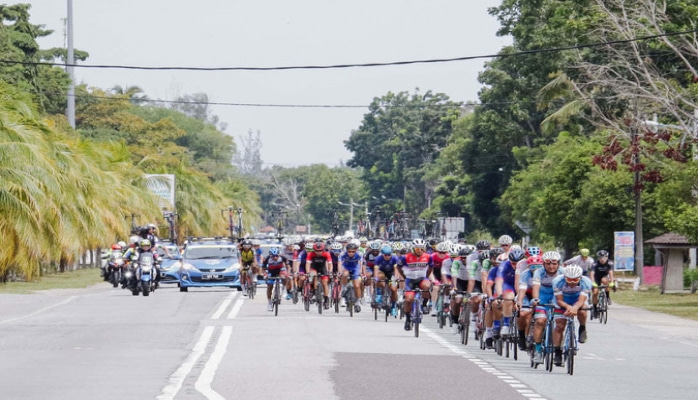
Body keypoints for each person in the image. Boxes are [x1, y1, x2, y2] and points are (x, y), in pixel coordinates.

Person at [552, 265, 592, 365]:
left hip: (577, 300)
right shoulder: (557, 281)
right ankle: (557, 352)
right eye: (569, 279)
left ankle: (582, 327)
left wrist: (574, 308)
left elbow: (581, 301)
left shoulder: (586, 282)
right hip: (562, 301)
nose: (572, 282)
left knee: (582, 311)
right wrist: (568, 307)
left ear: (580, 278)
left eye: (575, 279)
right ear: (565, 277)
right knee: (560, 325)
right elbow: (559, 300)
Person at [531, 251, 564, 365]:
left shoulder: (563, 273)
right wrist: (535, 299)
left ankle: (557, 351)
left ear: (559, 264)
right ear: (544, 264)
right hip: (543, 298)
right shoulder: (538, 272)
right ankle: (538, 350)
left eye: (554, 264)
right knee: (540, 321)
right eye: (548, 264)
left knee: (559, 324)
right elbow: (536, 287)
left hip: (557, 298)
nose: (551, 266)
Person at [397, 238, 432, 331]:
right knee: (408, 299)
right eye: (417, 249)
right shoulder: (406, 257)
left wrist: (427, 277)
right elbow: (398, 267)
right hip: (410, 280)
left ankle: (424, 305)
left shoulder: (428, 257)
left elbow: (430, 267)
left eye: (422, 249)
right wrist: (404, 276)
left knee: (427, 286)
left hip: (422, 279)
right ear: (413, 249)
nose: (420, 251)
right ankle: (408, 319)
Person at [495, 247, 525, 337]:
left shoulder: (526, 265)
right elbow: (499, 281)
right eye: (513, 263)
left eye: (518, 263)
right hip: (508, 285)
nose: (516, 266)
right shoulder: (504, 265)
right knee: (508, 298)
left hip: (522, 286)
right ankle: (506, 325)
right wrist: (500, 294)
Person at [516, 255, 542, 351]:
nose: (535, 269)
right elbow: (522, 290)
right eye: (532, 266)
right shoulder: (525, 274)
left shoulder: (543, 273)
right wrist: (519, 302)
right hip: (527, 295)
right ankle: (522, 336)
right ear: (528, 266)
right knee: (523, 314)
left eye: (539, 266)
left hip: (541, 294)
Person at [305, 241, 333, 309]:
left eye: (320, 251)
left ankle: (326, 300)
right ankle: (313, 292)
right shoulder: (311, 254)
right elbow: (308, 264)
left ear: (323, 250)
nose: (318, 252)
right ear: (314, 250)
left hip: (322, 268)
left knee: (325, 283)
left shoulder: (326, 254)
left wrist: (330, 272)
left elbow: (330, 264)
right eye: (316, 251)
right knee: (313, 276)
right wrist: (308, 272)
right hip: (314, 268)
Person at [373, 245, 399, 315]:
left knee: (394, 289)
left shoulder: (394, 258)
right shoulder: (378, 259)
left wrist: (396, 279)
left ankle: (393, 307)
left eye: (389, 255)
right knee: (379, 277)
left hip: (391, 273)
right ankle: (379, 294)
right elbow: (376, 269)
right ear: (382, 254)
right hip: (382, 272)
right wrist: (375, 278)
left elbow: (396, 270)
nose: (387, 256)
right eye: (385, 255)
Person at [262, 247, 290, 311]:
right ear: (270, 255)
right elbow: (263, 268)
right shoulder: (267, 258)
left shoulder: (282, 258)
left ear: (278, 255)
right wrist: (265, 274)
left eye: (276, 256)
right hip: (271, 271)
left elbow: (288, 266)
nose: (275, 258)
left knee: (284, 276)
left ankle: (284, 289)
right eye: (273, 256)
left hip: (280, 270)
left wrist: (288, 273)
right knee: (269, 286)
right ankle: (269, 303)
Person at [339, 242, 363, 312]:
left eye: (353, 252)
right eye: (349, 251)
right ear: (346, 251)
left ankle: (358, 302)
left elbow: (361, 263)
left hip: (355, 268)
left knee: (357, 285)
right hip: (346, 267)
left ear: (356, 250)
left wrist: (360, 272)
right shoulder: (342, 254)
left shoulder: (359, 254)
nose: (351, 253)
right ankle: (343, 288)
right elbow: (339, 263)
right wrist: (340, 272)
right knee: (345, 274)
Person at [590, 250, 615, 316]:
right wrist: (592, 282)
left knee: (605, 281)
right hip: (596, 277)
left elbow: (611, 273)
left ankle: (607, 297)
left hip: (604, 276)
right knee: (595, 292)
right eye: (600, 258)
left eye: (604, 257)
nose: (602, 259)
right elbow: (592, 274)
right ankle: (595, 308)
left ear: (607, 257)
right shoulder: (595, 263)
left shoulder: (610, 263)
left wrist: (612, 282)